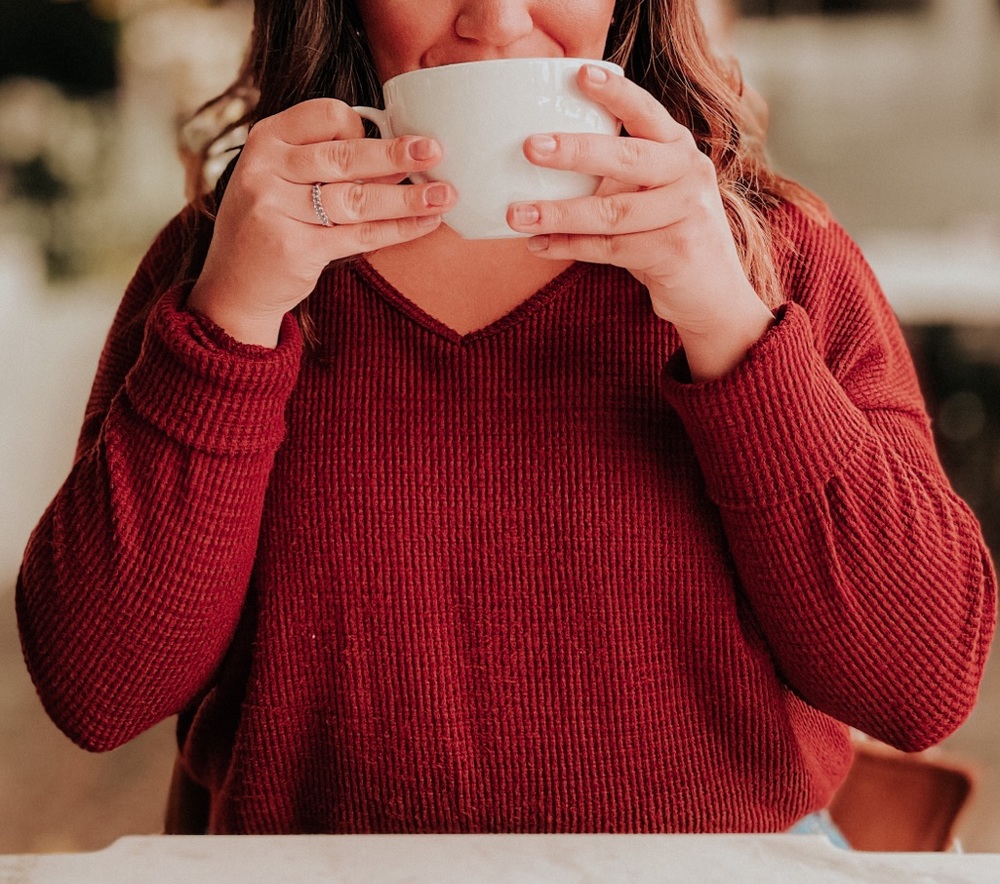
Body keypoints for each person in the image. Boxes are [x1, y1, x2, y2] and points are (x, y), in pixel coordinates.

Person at [16, 0, 996, 837]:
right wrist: (230, 320)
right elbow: (102, 691)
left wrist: (726, 319)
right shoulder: (224, 264)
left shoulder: (776, 255)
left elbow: (917, 682)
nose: (493, 19)